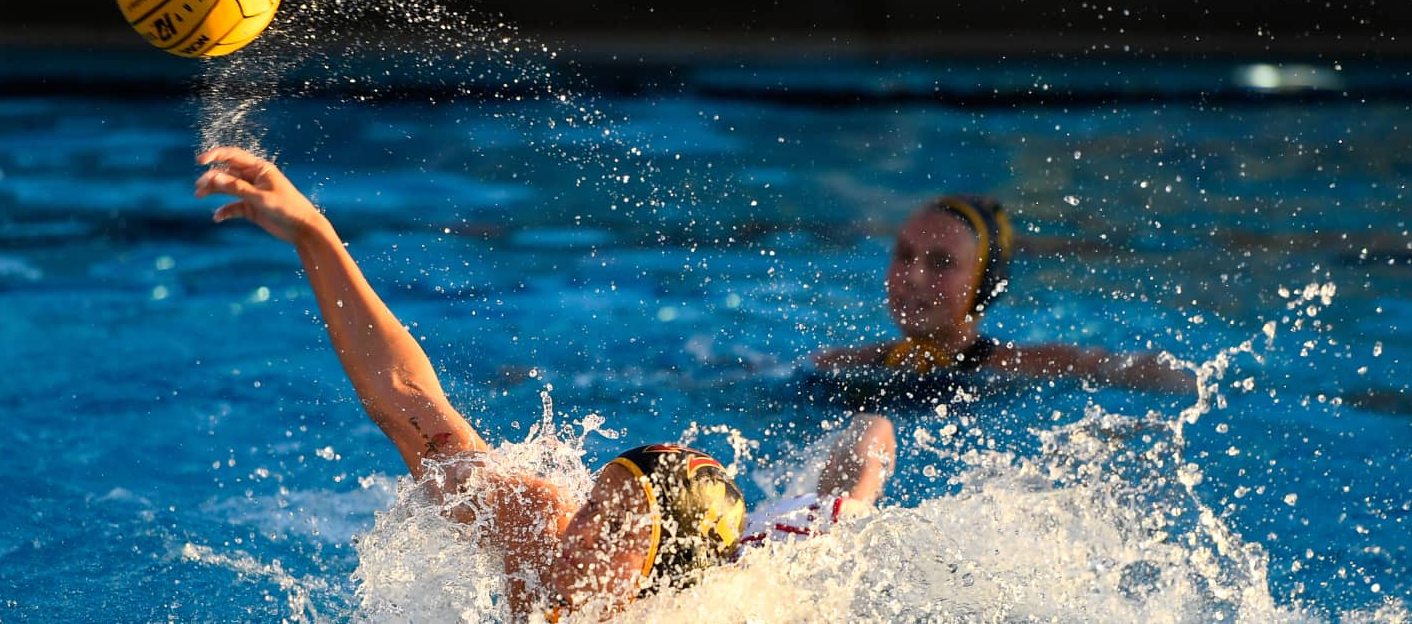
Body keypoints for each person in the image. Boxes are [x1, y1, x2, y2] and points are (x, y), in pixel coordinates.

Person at [190, 147, 894, 620]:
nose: (580, 526)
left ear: (657, 575)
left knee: (845, 506)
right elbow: (407, 401)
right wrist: (314, 231)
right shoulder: (538, 528)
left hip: (776, 559)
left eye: (613, 524)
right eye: (596, 499)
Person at [813, 195, 1196, 396]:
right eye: (905, 255)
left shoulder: (1031, 367)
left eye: (942, 262)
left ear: (984, 284)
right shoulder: (842, 366)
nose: (913, 276)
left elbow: (1116, 369)